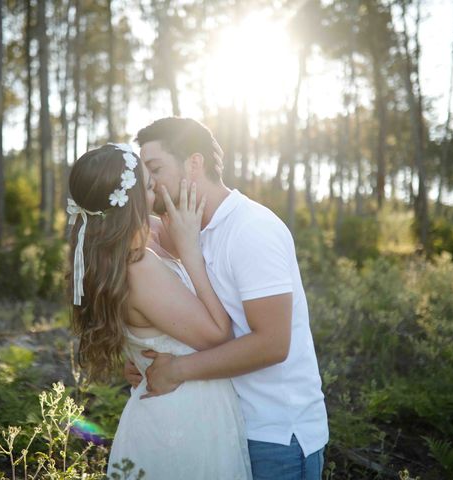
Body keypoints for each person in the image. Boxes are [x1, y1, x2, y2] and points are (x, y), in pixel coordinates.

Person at [125, 117, 329, 480]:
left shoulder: (252, 230)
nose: (149, 183)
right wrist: (145, 362)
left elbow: (272, 344)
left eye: (155, 168)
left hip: (274, 435)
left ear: (194, 163)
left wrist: (177, 370)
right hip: (220, 426)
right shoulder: (184, 230)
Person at [66, 143, 251, 479]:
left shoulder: (115, 253)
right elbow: (217, 335)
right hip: (182, 418)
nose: (157, 195)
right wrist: (191, 253)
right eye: (149, 188)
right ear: (131, 201)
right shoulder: (139, 267)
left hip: (176, 406)